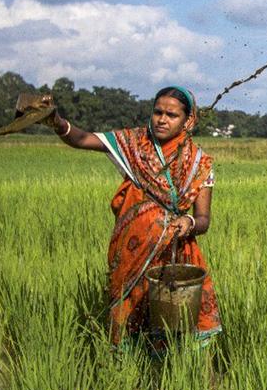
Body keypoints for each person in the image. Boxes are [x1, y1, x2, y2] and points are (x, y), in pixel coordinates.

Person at [48, 86, 221, 347]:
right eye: (157, 112)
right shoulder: (134, 145)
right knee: (131, 330)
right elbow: (82, 139)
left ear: (188, 120)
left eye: (172, 115)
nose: (162, 119)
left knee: (179, 330)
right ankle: (131, 380)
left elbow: (204, 220)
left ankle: (181, 382)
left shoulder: (199, 163)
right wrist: (55, 120)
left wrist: (189, 222)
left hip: (174, 254)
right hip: (132, 252)